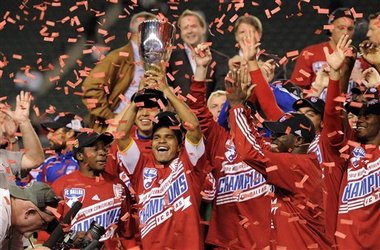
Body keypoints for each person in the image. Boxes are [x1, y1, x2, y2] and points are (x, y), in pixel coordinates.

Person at [188, 43, 273, 249]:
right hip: (227, 241)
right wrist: (201, 69)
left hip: (264, 239)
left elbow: (272, 108)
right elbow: (197, 112)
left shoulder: (271, 144)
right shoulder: (219, 140)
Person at [116, 63, 208, 249]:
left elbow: (194, 126)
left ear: (180, 144)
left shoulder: (190, 163)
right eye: (157, 137)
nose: (162, 142)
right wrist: (139, 97)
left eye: (168, 137)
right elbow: (122, 135)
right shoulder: (141, 167)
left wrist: (166, 90)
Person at [51, 132, 136, 249]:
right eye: (95, 149)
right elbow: (47, 234)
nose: (103, 153)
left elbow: (127, 234)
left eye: (104, 149)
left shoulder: (118, 186)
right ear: (80, 155)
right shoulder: (61, 186)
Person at [82, 11, 156, 132]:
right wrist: (112, 118)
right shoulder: (118, 57)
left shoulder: (156, 59)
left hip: (146, 126)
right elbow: (90, 89)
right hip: (120, 129)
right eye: (154, 29)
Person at [167, 9, 229, 98]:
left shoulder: (220, 60)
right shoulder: (170, 60)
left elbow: (220, 91)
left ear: (203, 29)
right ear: (180, 33)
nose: (189, 31)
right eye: (185, 28)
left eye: (193, 26)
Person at [291, 8, 355, 88]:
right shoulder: (310, 53)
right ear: (331, 28)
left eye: (350, 29)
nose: (345, 33)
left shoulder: (358, 58)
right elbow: (297, 88)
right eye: (341, 28)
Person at [0, 91, 45, 187]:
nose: (4, 127)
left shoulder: (3, 156)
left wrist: (23, 121)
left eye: (5, 120)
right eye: (1, 121)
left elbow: (35, 160)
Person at [0, 180, 59, 249]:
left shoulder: (15, 220)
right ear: (29, 213)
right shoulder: (1, 215)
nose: (43, 228)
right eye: (44, 223)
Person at [28, 113, 83, 185]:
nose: (48, 136)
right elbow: (24, 186)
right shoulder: (49, 162)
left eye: (53, 131)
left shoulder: (87, 162)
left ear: (70, 133)